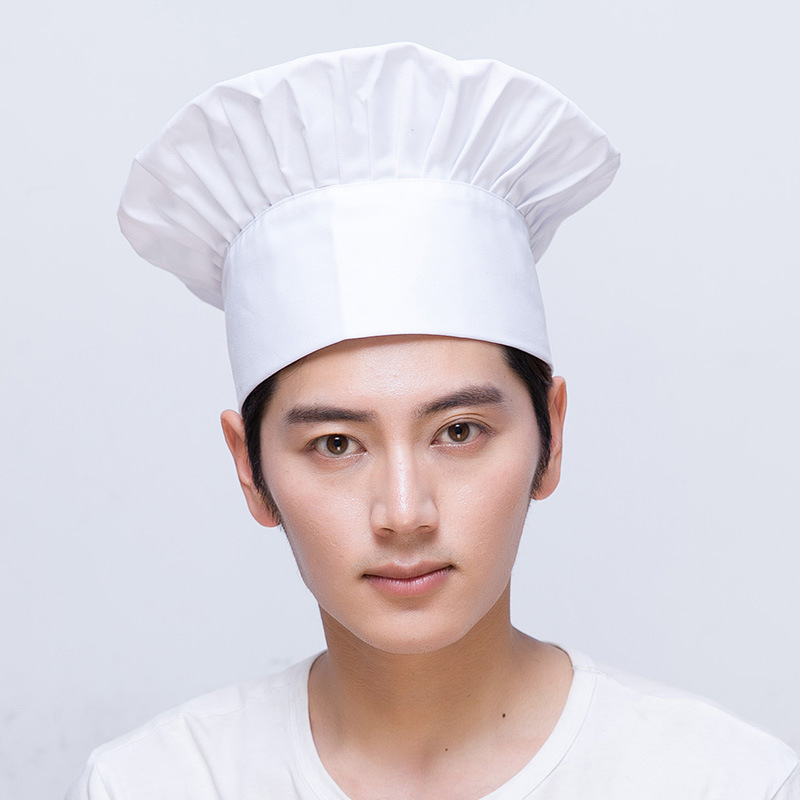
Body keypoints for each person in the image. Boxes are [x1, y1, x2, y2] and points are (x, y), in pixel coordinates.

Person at [67, 43, 799, 799]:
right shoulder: (154, 783)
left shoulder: (726, 781)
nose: (404, 513)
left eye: (458, 432)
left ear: (551, 437)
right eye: (336, 444)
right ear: (249, 470)